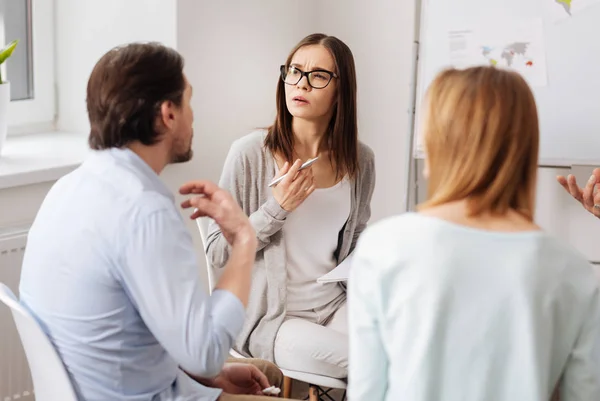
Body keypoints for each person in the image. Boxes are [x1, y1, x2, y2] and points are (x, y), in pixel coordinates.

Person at [19, 42, 297, 401]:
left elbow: (125, 329)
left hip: (106, 388)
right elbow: (207, 353)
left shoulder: (68, 189)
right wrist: (243, 238)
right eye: (189, 101)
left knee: (264, 373)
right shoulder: (144, 210)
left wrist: (206, 379)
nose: (192, 115)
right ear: (168, 114)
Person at [347, 66, 600, 401]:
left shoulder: (383, 247)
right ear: (524, 148)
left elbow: (366, 391)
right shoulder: (575, 272)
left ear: (438, 145)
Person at [205, 33, 375, 379]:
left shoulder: (360, 160)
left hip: (333, 305)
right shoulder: (250, 153)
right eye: (294, 71)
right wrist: (276, 208)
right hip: (275, 319)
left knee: (398, 347)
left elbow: (356, 239)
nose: (302, 84)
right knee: (371, 363)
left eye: (318, 76)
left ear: (341, 90)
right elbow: (216, 251)